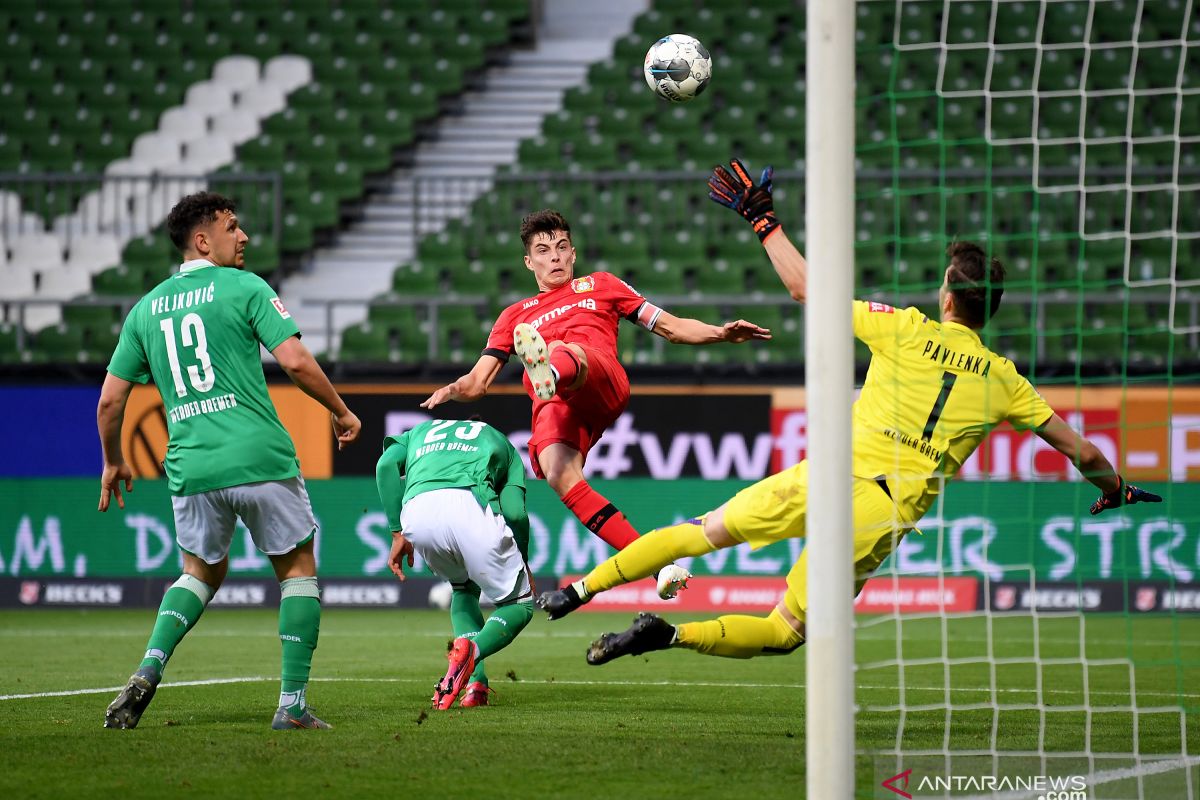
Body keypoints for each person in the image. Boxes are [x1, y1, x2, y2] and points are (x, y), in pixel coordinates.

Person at [536, 159, 1163, 665]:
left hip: (826, 474)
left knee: (699, 533)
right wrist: (1117, 488)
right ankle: (670, 636)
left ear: (946, 297)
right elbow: (1084, 453)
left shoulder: (904, 328)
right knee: (784, 631)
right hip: (880, 508)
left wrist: (764, 223)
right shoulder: (1006, 381)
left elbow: (807, 290)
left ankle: (580, 590)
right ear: (987, 312)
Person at [98, 192, 361, 729]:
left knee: (199, 572)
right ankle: (291, 707)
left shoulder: (144, 310)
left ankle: (149, 667)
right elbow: (296, 362)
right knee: (297, 570)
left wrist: (114, 460)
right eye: (232, 227)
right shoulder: (245, 287)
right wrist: (340, 410)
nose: (243, 237)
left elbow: (109, 401)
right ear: (203, 240)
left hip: (191, 468)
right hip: (259, 458)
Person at [421, 209, 771, 600]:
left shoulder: (601, 285)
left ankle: (550, 369)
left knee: (560, 350)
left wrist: (720, 333)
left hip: (597, 376)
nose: (554, 256)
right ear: (528, 261)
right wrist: (454, 389)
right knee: (558, 473)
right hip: (555, 403)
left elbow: (671, 327)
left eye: (561, 248)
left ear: (573, 254)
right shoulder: (513, 316)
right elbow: (477, 382)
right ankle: (659, 567)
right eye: (543, 250)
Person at [376, 417, 534, 709]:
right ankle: (472, 652)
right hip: (470, 505)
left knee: (463, 590)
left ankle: (476, 687)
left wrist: (397, 531)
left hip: (418, 512)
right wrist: (524, 559)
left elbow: (385, 466)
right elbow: (516, 513)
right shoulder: (499, 440)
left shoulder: (420, 432)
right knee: (520, 605)